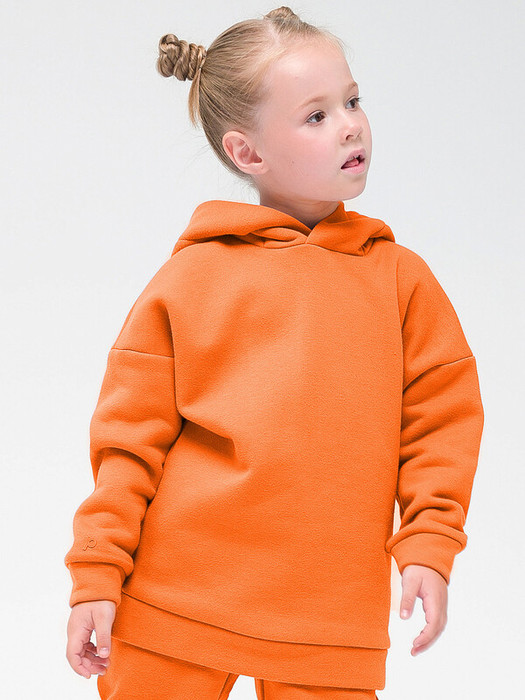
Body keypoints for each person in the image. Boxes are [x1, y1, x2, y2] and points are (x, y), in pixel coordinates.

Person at [64, 6, 485, 699]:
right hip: (175, 601)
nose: (350, 125)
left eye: (352, 101)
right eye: (316, 115)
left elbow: (442, 425)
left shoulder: (401, 282)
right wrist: (97, 574)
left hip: (327, 621)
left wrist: (430, 545)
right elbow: (128, 442)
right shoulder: (191, 278)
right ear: (247, 153)